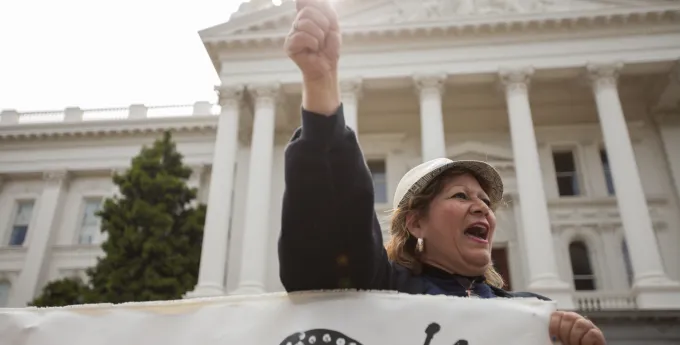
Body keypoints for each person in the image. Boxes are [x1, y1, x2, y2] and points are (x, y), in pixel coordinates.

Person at [278, 1, 606, 344]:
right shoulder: (383, 291)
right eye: (461, 196)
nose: (482, 207)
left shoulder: (533, 315)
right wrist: (321, 85)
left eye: (485, 200)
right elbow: (335, 231)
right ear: (416, 222)